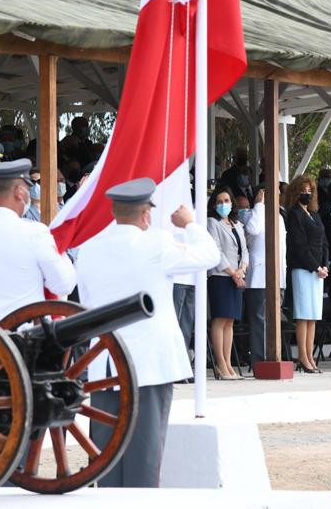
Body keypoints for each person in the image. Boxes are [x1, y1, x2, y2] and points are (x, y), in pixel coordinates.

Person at [76, 177, 217, 487]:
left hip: (106, 363)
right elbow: (210, 256)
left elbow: (85, 302)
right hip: (150, 362)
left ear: (115, 212)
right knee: (145, 454)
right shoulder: (158, 242)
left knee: (106, 453)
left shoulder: (90, 248)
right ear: (146, 213)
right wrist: (191, 224)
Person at [0, 159, 75, 323]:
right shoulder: (35, 233)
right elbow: (63, 285)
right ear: (19, 192)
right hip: (23, 341)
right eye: (28, 189)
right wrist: (61, 251)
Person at [285, 175, 329, 373]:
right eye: (303, 191)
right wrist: (315, 266)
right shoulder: (294, 214)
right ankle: (303, 356)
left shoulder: (314, 214)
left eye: (310, 191)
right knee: (303, 315)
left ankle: (309, 355)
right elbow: (299, 245)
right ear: (296, 193)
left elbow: (324, 241)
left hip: (318, 270)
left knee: (313, 315)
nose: (307, 194)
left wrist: (324, 265)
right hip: (303, 269)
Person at [206, 187, 248, 379]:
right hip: (221, 276)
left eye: (227, 201)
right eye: (220, 201)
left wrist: (242, 270)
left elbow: (245, 250)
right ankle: (220, 364)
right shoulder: (212, 223)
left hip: (237, 277)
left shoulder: (237, 224)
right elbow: (216, 251)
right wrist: (233, 273)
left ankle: (229, 364)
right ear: (214, 204)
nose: (224, 204)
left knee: (230, 321)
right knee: (220, 319)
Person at [242, 188, 286, 367]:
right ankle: (260, 360)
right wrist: (259, 205)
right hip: (259, 277)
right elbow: (253, 229)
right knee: (259, 321)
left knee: (274, 320)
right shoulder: (252, 215)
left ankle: (273, 356)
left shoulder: (280, 218)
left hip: (278, 277)